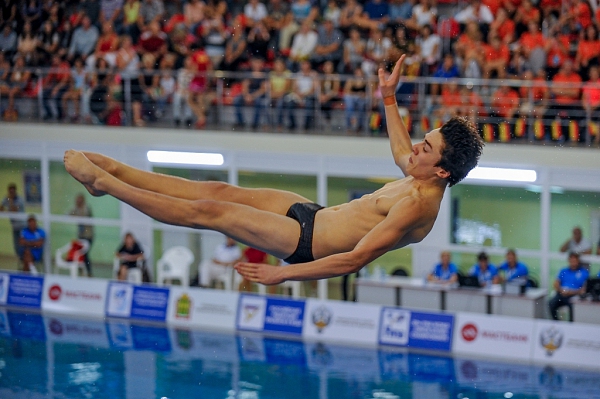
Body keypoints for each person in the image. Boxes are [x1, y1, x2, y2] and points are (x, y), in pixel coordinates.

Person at [62, 54, 484, 286]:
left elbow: (353, 259)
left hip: (304, 243)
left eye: (426, 147)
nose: (416, 148)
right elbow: (399, 150)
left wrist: (283, 274)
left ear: (443, 172)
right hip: (311, 214)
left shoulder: (418, 206)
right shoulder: (421, 172)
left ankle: (104, 183)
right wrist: (388, 98)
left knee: (212, 213)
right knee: (217, 189)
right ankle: (116, 170)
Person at [548, 252, 588, 321]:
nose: (573, 263)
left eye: (575, 261)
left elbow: (585, 288)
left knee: (574, 307)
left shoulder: (584, 272)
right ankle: (556, 322)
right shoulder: (563, 271)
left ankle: (571, 326)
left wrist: (572, 292)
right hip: (562, 293)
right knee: (551, 303)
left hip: (574, 295)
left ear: (578, 261)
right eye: (571, 261)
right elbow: (556, 283)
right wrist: (561, 291)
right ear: (569, 261)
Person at [69, 193, 94, 276]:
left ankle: (88, 272)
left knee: (85, 253)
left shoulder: (86, 208)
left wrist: (76, 215)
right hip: (81, 235)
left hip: (88, 235)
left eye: (79, 201)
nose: (78, 202)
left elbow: (84, 217)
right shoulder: (76, 208)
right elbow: (68, 214)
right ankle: (81, 271)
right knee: (80, 253)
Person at [0, 183, 26, 258]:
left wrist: (10, 200)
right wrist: (4, 202)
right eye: (10, 192)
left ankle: (25, 261)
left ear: (15, 191)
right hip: (14, 226)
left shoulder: (20, 199)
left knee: (23, 245)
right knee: (16, 247)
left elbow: (14, 211)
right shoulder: (7, 198)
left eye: (12, 191)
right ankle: (22, 260)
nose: (11, 193)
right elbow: (1, 209)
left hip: (22, 226)